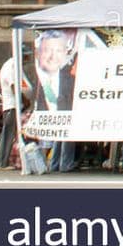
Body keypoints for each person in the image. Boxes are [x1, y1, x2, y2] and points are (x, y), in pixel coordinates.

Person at [34, 30, 77, 172]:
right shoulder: (60, 69)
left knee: (60, 133)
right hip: (64, 102)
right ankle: (64, 164)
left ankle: (55, 163)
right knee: (65, 133)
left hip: (60, 102)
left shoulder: (59, 69)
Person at [0, 45, 31, 170]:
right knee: (8, 134)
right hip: (12, 105)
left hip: (17, 105)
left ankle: (8, 160)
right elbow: (14, 86)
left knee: (13, 134)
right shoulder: (11, 66)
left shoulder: (16, 66)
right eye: (27, 55)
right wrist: (24, 99)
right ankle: (2, 162)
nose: (28, 58)